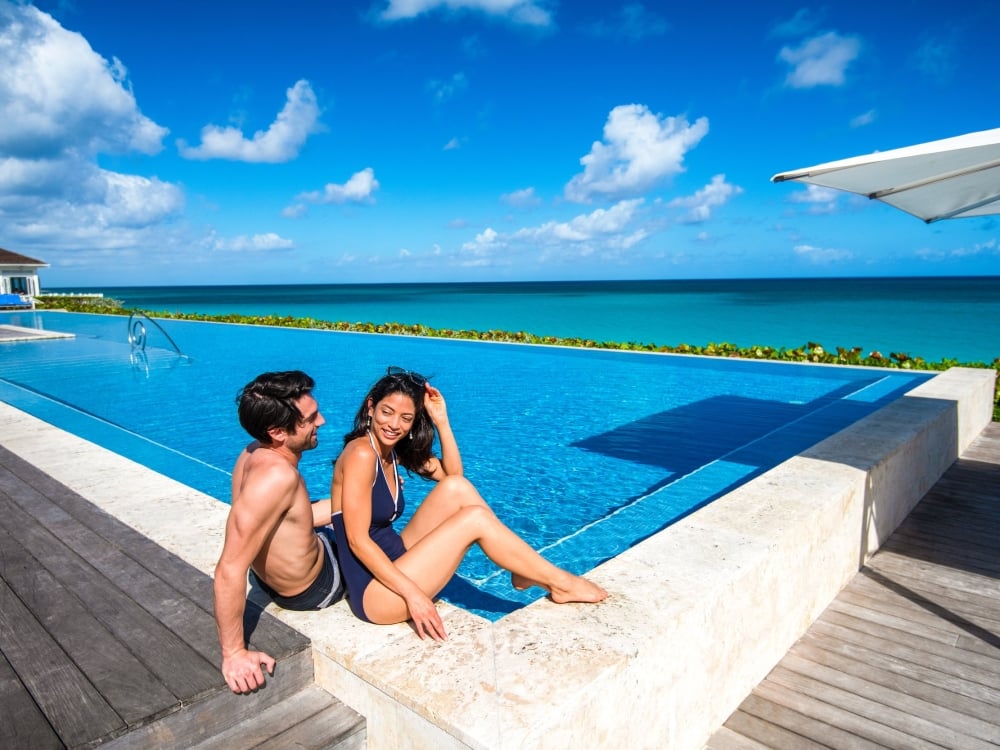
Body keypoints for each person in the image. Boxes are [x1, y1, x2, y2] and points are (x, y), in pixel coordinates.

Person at [321, 366, 608, 640]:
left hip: (397, 561)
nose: (394, 424)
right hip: (376, 593)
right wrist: (413, 595)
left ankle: (523, 570)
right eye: (387, 412)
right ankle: (560, 583)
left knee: (457, 489)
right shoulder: (361, 453)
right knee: (474, 519)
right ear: (370, 408)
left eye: (406, 418)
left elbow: (455, 478)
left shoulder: (391, 452)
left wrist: (441, 421)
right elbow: (358, 541)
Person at [214, 370, 344, 694]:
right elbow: (229, 569)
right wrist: (233, 653)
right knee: (374, 527)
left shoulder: (251, 452)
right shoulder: (277, 478)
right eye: (311, 418)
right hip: (314, 588)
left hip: (274, 579)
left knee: (356, 505)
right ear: (278, 432)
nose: (322, 421)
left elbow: (290, 521)